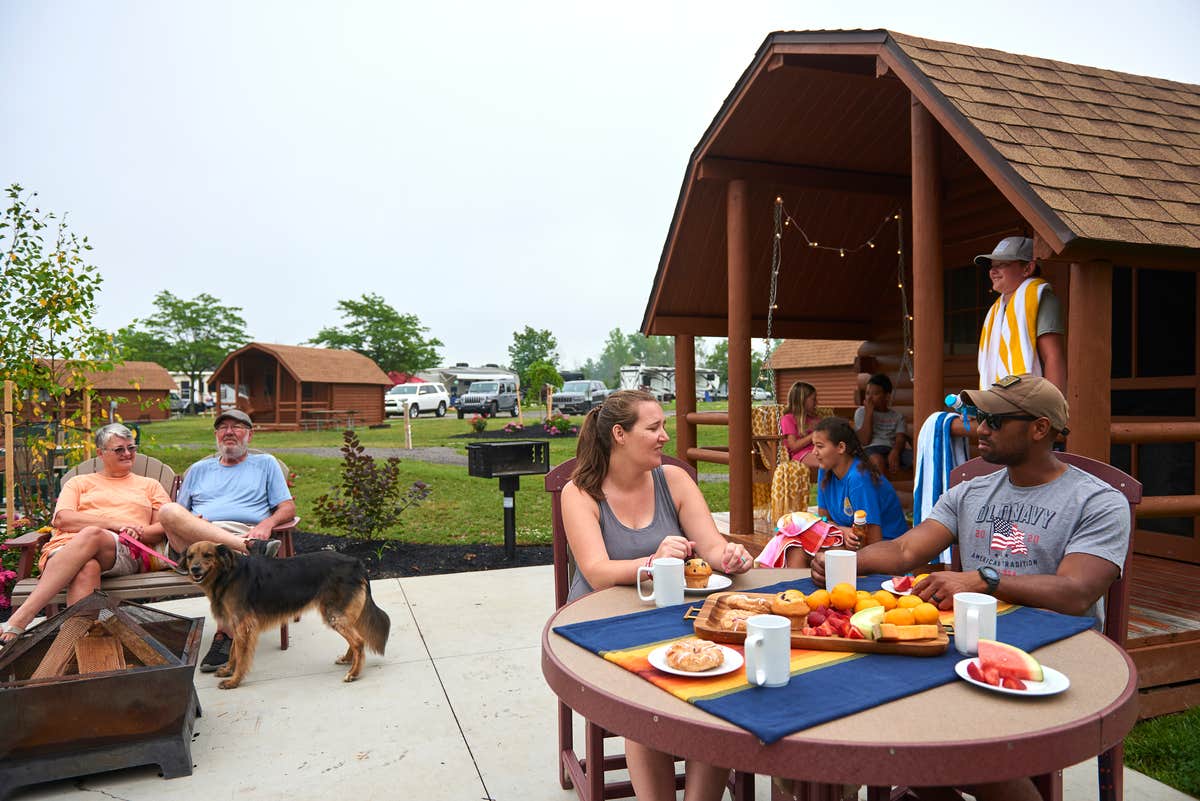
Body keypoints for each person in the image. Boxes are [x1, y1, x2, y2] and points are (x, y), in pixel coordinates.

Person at [810, 375, 1129, 801]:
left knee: (933, 734)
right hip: (969, 647)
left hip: (1057, 659)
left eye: (994, 421)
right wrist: (841, 559)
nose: (980, 429)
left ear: (1039, 428)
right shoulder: (969, 493)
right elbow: (906, 548)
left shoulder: (1098, 501)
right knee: (862, 700)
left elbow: (1075, 592)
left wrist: (985, 579)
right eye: (979, 417)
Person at [561, 389, 753, 801]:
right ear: (620, 435)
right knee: (646, 701)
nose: (665, 436)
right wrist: (654, 561)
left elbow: (711, 546)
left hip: (671, 619)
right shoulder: (580, 492)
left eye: (664, 425)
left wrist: (730, 556)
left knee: (720, 693)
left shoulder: (674, 479)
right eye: (654, 427)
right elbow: (595, 573)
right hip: (601, 624)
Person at [1, 423, 172, 646]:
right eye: (119, 449)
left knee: (93, 534)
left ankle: (22, 616)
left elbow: (162, 527)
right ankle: (77, 649)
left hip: (123, 551)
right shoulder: (79, 482)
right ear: (100, 453)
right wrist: (114, 523)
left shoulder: (150, 485)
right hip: (64, 551)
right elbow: (62, 519)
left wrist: (136, 532)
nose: (128, 453)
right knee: (88, 566)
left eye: (131, 447)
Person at [157, 408, 296, 672]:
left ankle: (224, 635)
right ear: (216, 435)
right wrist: (194, 522)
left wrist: (266, 524)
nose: (229, 432)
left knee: (224, 568)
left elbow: (287, 507)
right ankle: (248, 550)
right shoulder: (198, 469)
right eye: (223, 428)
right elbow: (176, 513)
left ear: (250, 435)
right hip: (196, 544)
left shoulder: (266, 464)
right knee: (167, 511)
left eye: (237, 427)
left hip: (241, 530)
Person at [785, 417, 908, 568]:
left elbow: (874, 541)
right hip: (849, 543)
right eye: (813, 446)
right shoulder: (825, 470)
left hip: (883, 550)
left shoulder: (858, 479)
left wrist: (841, 535)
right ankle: (792, 591)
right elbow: (824, 522)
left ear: (841, 448)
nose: (814, 452)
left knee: (808, 553)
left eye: (820, 446)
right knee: (793, 545)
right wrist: (842, 530)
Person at [975, 236, 1066, 394]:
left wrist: (1053, 408)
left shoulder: (1039, 297)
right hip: (999, 399)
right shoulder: (997, 309)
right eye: (992, 266)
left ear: (1028, 268)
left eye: (1002, 264)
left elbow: (1053, 356)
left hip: (1032, 399)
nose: (993, 271)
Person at [853, 373, 910, 476]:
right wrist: (869, 413)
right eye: (867, 393)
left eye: (875, 394)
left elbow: (900, 439)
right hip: (870, 450)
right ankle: (880, 492)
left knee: (916, 458)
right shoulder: (861, 412)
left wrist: (895, 451)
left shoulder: (897, 416)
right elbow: (865, 441)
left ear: (887, 396)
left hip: (891, 449)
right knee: (877, 461)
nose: (869, 398)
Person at [779, 381, 822, 468]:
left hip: (819, 450)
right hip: (802, 454)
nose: (816, 402)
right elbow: (794, 447)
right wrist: (814, 434)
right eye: (813, 399)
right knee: (829, 462)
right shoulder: (788, 419)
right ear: (802, 400)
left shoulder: (815, 418)